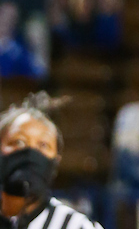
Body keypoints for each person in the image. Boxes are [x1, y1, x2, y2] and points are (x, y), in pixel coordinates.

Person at [0, 92, 103, 228]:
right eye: (19, 142)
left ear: (56, 161)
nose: (30, 153)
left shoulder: (77, 226)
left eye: (43, 145)